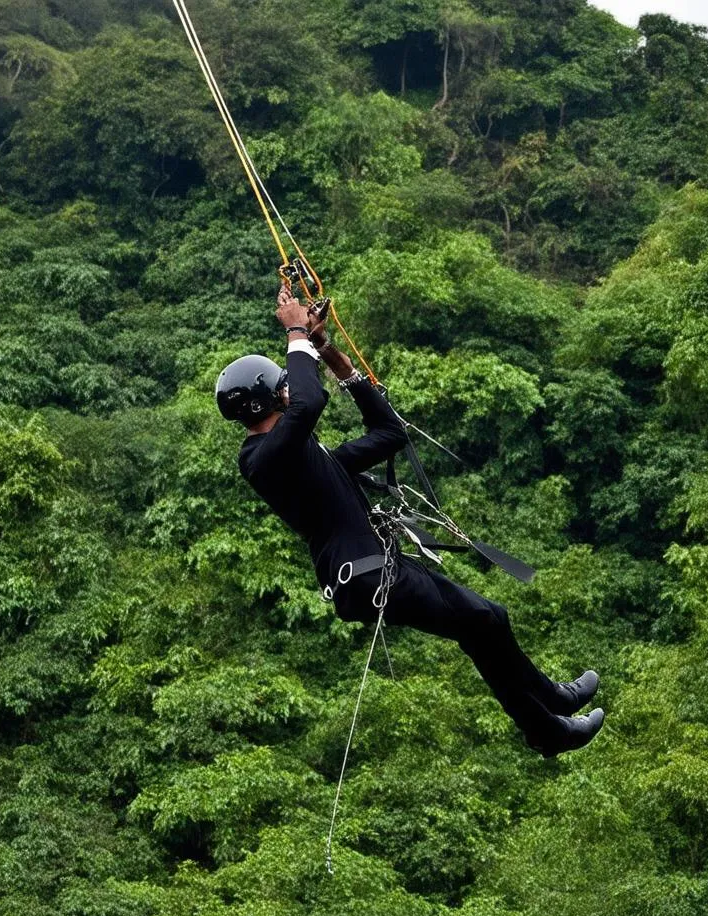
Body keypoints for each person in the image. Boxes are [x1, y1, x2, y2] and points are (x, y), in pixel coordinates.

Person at [215, 285, 605, 757]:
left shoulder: (312, 459)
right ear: (264, 401)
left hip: (380, 571)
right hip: (366, 578)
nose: (289, 388)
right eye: (282, 385)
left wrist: (330, 353)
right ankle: (555, 705)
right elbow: (309, 404)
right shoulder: (262, 460)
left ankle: (548, 728)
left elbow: (389, 434)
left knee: (484, 623)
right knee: (484, 619)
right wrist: (295, 329)